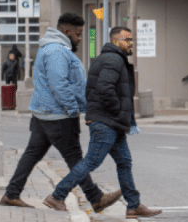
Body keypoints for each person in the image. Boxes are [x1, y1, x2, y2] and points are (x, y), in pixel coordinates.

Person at [0, 14, 120, 212]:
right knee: (75, 158)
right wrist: (73, 109)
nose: (80, 38)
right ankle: (93, 198)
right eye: (79, 34)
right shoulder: (57, 51)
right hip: (58, 116)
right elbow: (59, 84)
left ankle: (12, 193)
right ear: (67, 32)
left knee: (32, 155)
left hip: (44, 114)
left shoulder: (54, 48)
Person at [45, 27, 162, 218]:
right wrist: (117, 111)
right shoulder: (113, 59)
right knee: (92, 161)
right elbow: (105, 87)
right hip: (106, 121)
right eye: (128, 40)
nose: (132, 43)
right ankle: (57, 195)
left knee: (124, 162)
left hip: (111, 122)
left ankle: (133, 205)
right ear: (116, 41)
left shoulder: (112, 58)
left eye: (132, 39)